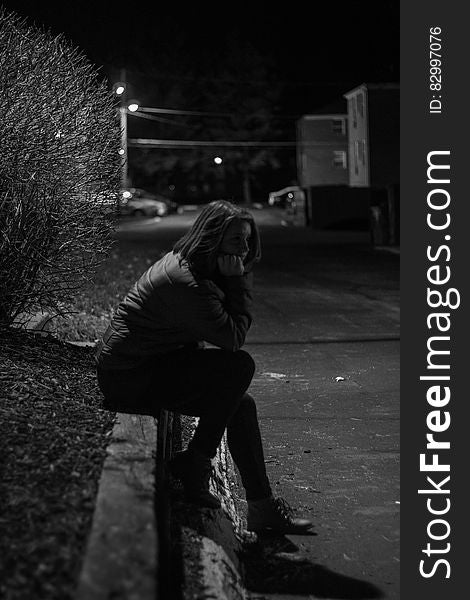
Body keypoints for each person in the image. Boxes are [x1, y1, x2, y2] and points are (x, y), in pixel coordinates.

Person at [95, 200, 312, 534]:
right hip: (129, 374)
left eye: (247, 239)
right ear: (212, 239)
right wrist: (237, 283)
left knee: (241, 404)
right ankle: (197, 462)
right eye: (236, 240)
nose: (245, 248)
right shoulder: (186, 281)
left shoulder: (196, 267)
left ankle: (261, 507)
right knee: (239, 367)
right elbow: (231, 337)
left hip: (150, 363)